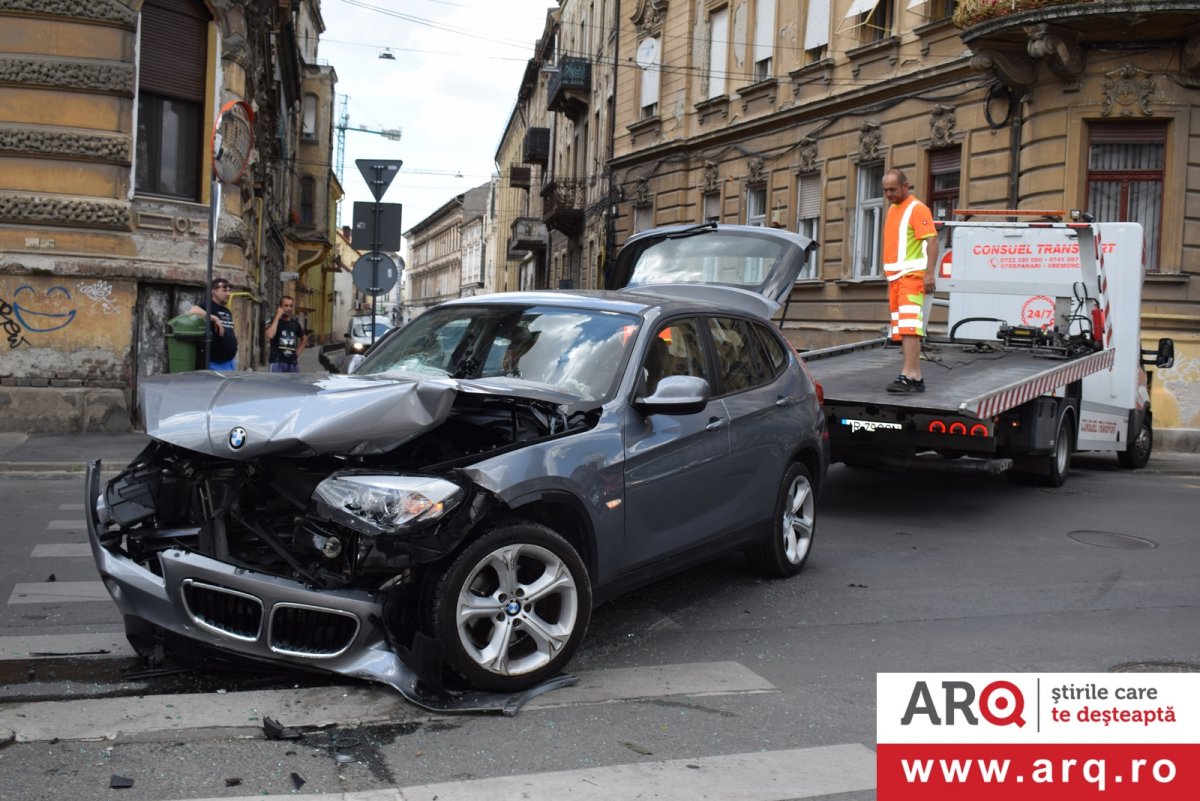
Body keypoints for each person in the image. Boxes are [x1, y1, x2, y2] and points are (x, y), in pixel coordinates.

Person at [881, 168, 939, 393]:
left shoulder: (917, 208)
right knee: (902, 329)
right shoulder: (893, 209)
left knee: (909, 329)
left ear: (905, 186)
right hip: (896, 279)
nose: (888, 194)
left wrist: (929, 273)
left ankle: (911, 375)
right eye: (885, 190)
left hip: (911, 277)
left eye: (892, 189)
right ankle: (912, 375)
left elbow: (932, 241)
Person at [189, 279, 238, 371]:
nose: (228, 294)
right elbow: (193, 310)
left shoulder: (227, 311)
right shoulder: (208, 305)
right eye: (224, 290)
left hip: (229, 362)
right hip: (215, 364)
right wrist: (214, 318)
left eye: (229, 291)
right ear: (214, 291)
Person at [265, 295, 307, 372]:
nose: (289, 308)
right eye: (286, 306)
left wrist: (297, 353)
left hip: (292, 363)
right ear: (280, 307)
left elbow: (304, 339)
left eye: (291, 306)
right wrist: (277, 317)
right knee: (275, 384)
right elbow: (270, 335)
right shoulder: (272, 320)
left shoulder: (295, 323)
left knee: (294, 384)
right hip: (277, 362)